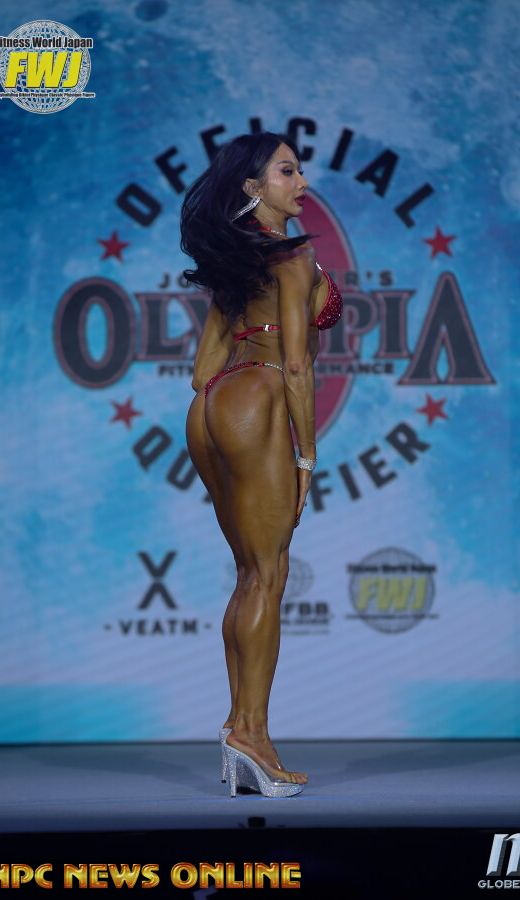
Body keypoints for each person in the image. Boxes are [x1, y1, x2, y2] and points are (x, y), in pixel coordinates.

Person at [182, 132, 343, 797]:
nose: (301, 181)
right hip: (262, 397)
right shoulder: (296, 256)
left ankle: (240, 730)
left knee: (249, 575)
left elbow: (202, 372)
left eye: (299, 170)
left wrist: (238, 390)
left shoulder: (236, 262)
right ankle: (251, 735)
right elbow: (298, 366)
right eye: (287, 171)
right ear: (254, 188)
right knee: (267, 575)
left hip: (211, 409)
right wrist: (306, 453)